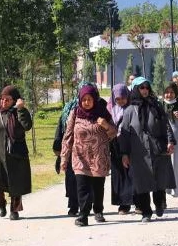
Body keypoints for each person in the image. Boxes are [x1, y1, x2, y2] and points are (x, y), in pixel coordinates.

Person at [118, 77, 176, 223]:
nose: (144, 90)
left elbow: (166, 125)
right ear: (136, 90)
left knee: (159, 180)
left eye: (146, 87)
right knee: (141, 183)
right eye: (141, 88)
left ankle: (159, 203)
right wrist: (124, 153)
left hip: (157, 149)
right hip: (139, 154)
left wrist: (170, 141)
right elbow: (124, 134)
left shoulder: (156, 106)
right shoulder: (130, 111)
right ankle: (146, 212)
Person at [60, 84, 117, 227]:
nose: (86, 102)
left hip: (99, 157)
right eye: (84, 99)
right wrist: (64, 158)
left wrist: (105, 125)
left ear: (94, 99)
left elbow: (114, 133)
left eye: (89, 99)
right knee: (82, 188)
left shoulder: (102, 112)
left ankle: (98, 210)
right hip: (80, 157)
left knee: (98, 187)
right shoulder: (75, 113)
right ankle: (83, 215)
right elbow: (68, 136)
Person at [0, 85, 33, 221]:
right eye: (2, 99)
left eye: (7, 100)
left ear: (15, 100)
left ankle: (14, 210)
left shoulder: (19, 112)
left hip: (16, 154)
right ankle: (1, 203)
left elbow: (27, 126)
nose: (3, 102)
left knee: (16, 184)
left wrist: (21, 109)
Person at [52, 81, 91, 216]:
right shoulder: (69, 108)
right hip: (71, 148)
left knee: (86, 178)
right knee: (71, 178)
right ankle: (73, 205)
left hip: (88, 149)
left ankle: (84, 205)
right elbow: (61, 129)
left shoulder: (95, 107)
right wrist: (59, 150)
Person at [109, 83, 134, 214]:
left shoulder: (132, 108)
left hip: (130, 145)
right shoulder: (110, 109)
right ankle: (122, 204)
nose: (120, 101)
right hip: (115, 145)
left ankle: (133, 201)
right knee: (118, 174)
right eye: (117, 98)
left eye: (123, 98)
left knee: (131, 174)